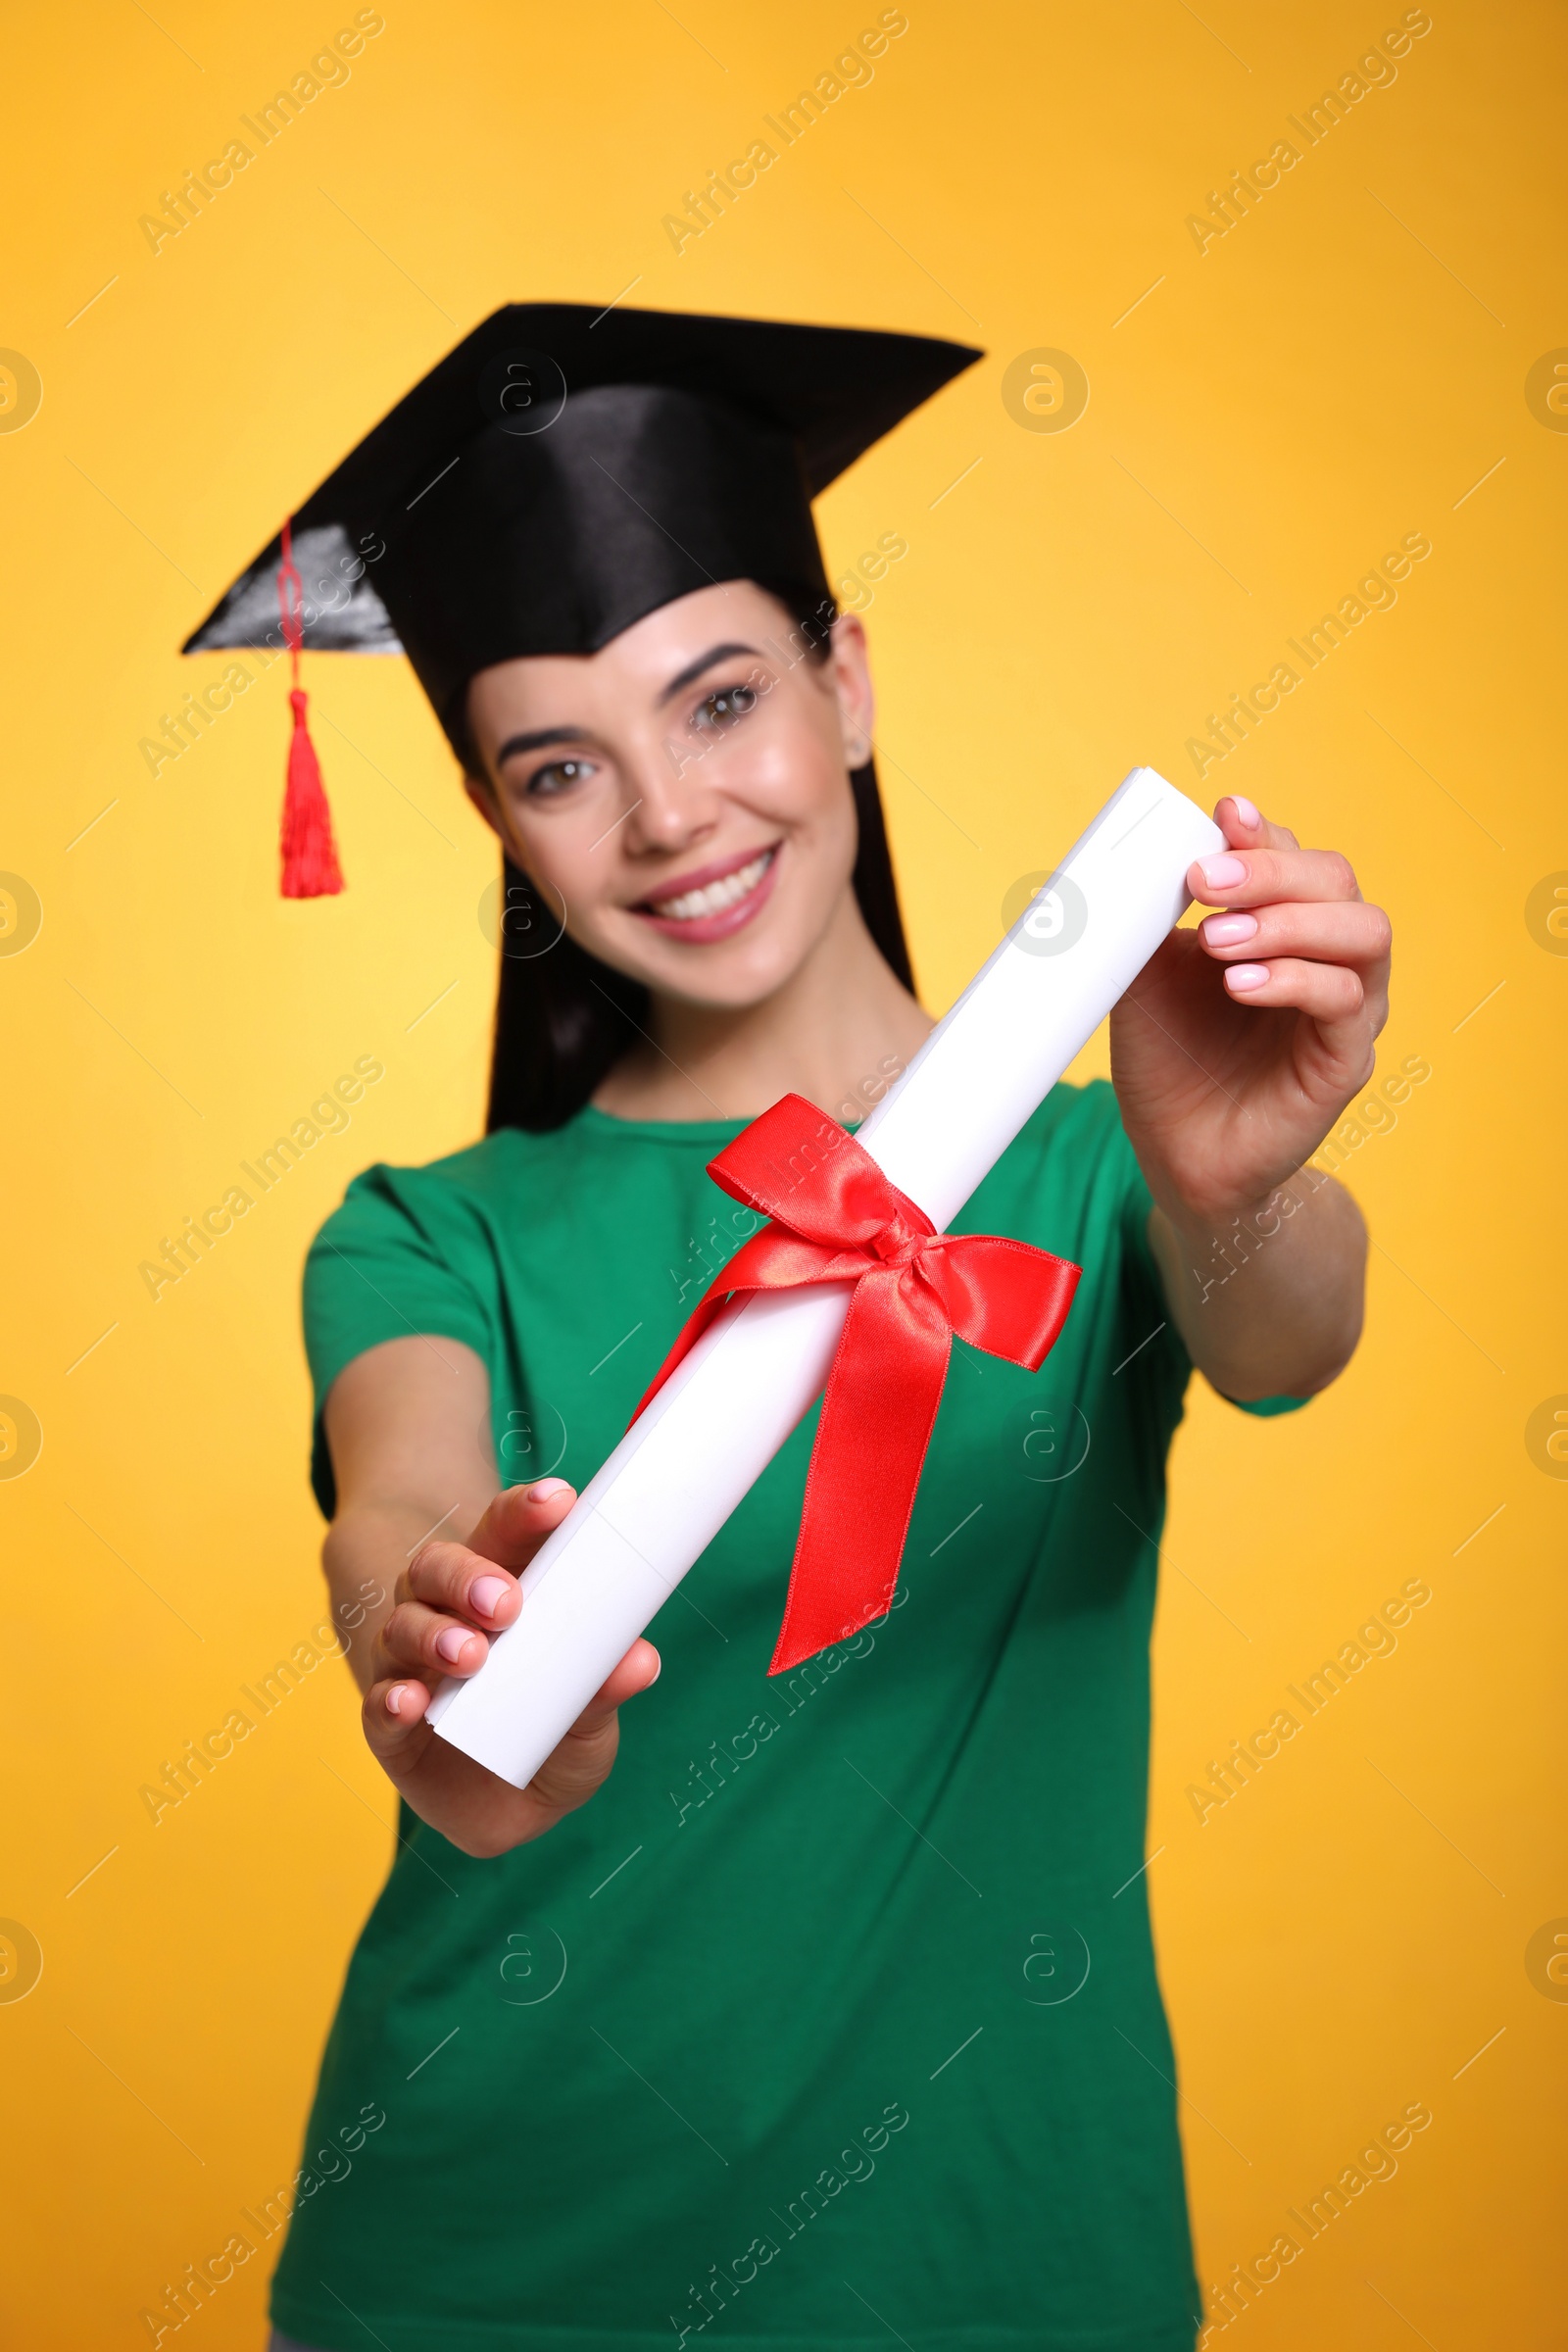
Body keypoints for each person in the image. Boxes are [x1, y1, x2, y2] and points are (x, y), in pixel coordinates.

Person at [187, 305, 1388, 2352]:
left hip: (995, 2249)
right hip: (480, 2267)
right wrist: (444, 1641)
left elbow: (1286, 1334)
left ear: (840, 683)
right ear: (500, 821)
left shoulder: (1102, 1175)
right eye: (560, 763)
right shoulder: (425, 1231)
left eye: (719, 697)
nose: (664, 817)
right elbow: (399, 1514)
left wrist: (1223, 1177)